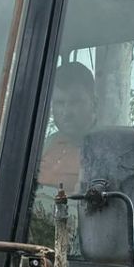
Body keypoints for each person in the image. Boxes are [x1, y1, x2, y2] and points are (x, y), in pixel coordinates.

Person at [37, 61, 97, 194]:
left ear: (93, 102)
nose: (66, 112)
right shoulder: (47, 144)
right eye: (60, 103)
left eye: (75, 102)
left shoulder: (102, 151)